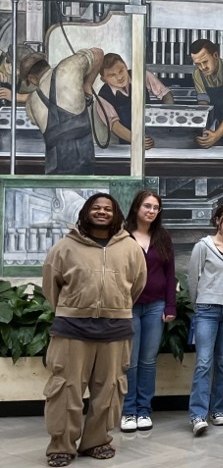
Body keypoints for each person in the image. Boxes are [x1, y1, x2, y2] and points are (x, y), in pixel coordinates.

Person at [42, 193, 146, 467]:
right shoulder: (65, 247)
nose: (102, 212)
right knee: (66, 389)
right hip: (72, 329)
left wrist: (115, 306)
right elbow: (51, 285)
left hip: (115, 330)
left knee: (109, 389)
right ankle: (61, 447)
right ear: (87, 211)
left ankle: (97, 442)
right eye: (96, 208)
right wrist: (74, 307)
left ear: (116, 214)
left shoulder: (130, 248)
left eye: (107, 209)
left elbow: (136, 285)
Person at [186, 204, 223, 436]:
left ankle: (218, 410)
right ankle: (197, 415)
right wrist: (199, 304)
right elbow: (193, 278)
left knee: (222, 360)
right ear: (218, 220)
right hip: (207, 309)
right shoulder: (203, 246)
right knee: (203, 362)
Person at [120, 190, 176, 434]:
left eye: (156, 207)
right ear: (136, 208)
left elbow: (170, 273)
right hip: (128, 307)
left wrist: (170, 305)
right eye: (147, 206)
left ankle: (144, 411)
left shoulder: (162, 236)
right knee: (130, 362)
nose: (151, 211)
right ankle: (128, 412)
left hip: (156, 307)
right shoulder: (122, 236)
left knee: (148, 361)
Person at [22, 47, 103, 175]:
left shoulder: (30, 102)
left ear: (32, 79)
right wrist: (87, 84)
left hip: (53, 166)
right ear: (45, 63)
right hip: (83, 158)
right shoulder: (69, 66)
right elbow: (98, 54)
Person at [95, 53, 174, 149]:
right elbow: (115, 126)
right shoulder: (103, 97)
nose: (119, 77)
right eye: (112, 75)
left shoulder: (140, 75)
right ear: (104, 79)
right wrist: (137, 140)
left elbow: (165, 93)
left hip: (155, 136)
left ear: (125, 66)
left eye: (121, 71)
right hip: (128, 144)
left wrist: (167, 121)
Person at [189, 39, 223, 147]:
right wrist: (204, 131)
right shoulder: (197, 74)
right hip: (219, 128)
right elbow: (203, 106)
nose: (202, 68)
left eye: (205, 62)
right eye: (198, 64)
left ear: (215, 55)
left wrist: (216, 135)